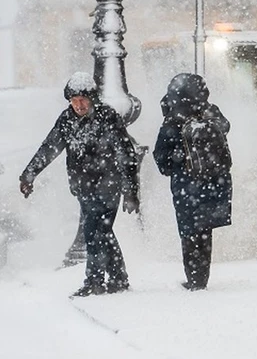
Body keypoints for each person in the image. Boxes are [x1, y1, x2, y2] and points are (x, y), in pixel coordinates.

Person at [19, 72, 140, 297]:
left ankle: (94, 282)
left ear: (92, 98)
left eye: (82, 99)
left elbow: (126, 154)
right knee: (102, 231)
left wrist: (130, 191)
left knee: (94, 232)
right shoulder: (67, 119)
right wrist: (29, 175)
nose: (79, 105)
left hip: (108, 185)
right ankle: (118, 279)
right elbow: (50, 147)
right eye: (74, 100)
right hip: (83, 187)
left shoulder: (107, 117)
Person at [153, 73, 233, 291]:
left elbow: (161, 158)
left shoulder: (174, 119)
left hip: (186, 186)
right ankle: (201, 278)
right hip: (215, 185)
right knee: (205, 233)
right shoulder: (212, 113)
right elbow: (226, 128)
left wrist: (174, 160)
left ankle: (194, 279)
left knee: (189, 234)